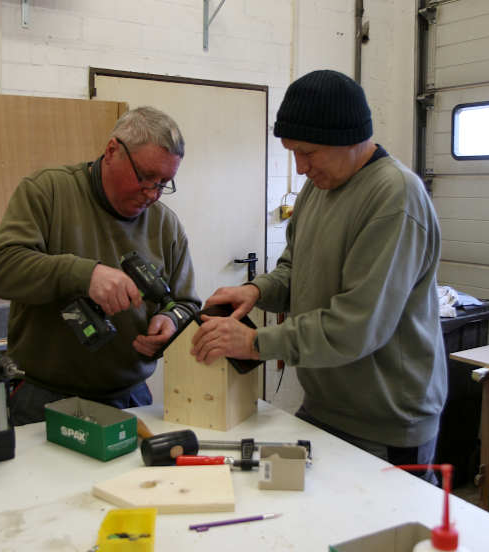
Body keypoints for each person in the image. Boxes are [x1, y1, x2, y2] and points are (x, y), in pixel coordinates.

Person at [191, 70, 447, 475]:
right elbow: (296, 269)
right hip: (324, 406)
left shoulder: (394, 197)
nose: (300, 167)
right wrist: (257, 292)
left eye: (308, 153)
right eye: (292, 152)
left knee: (380, 536)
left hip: (386, 424)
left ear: (349, 138)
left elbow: (356, 326)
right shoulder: (318, 188)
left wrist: (256, 342)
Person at [0, 106, 201, 425]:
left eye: (164, 183)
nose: (152, 193)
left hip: (130, 399)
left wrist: (171, 322)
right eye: (145, 177)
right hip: (42, 398)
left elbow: (187, 304)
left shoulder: (165, 225)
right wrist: (85, 275)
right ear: (112, 150)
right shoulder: (48, 192)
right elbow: (1, 270)